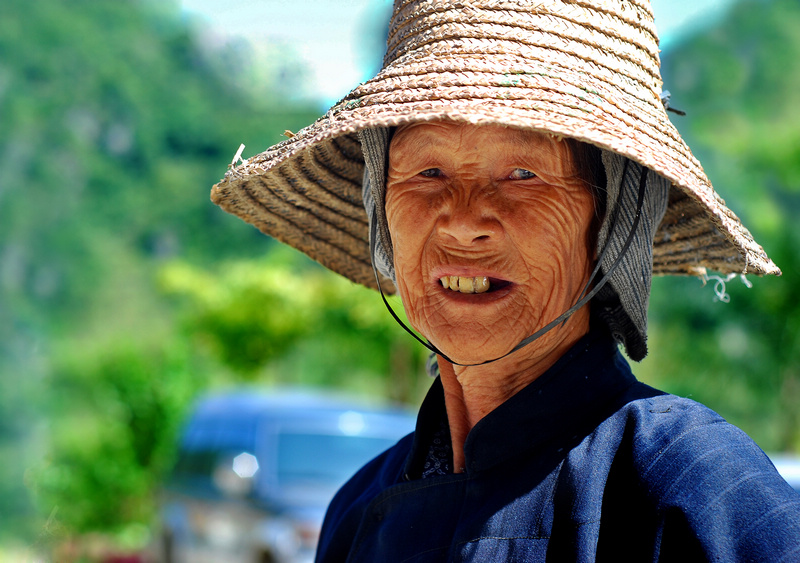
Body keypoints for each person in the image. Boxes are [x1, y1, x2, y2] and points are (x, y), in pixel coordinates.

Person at [211, 1, 800, 560]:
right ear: (380, 210)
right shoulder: (359, 509)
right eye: (428, 171)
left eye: (522, 173)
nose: (464, 221)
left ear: (611, 220)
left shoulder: (694, 488)